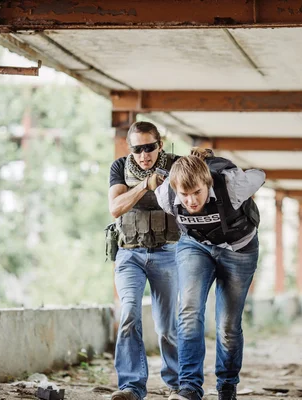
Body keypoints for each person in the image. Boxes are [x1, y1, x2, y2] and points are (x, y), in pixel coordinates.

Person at [154, 148, 265, 400]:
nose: (191, 201)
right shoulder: (165, 196)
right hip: (196, 246)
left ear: (208, 183)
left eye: (197, 193)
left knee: (227, 324)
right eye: (185, 195)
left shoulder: (233, 186)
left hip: (239, 249)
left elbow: (259, 174)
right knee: (189, 312)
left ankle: (227, 385)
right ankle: (189, 387)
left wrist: (230, 171)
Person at [108, 121, 180, 400]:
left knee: (167, 326)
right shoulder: (119, 168)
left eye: (149, 147)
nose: (144, 154)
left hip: (169, 253)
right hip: (130, 254)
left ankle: (176, 385)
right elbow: (115, 208)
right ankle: (131, 386)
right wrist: (144, 185)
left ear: (159, 144)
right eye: (138, 149)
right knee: (128, 315)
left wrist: (205, 162)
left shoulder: (176, 165)